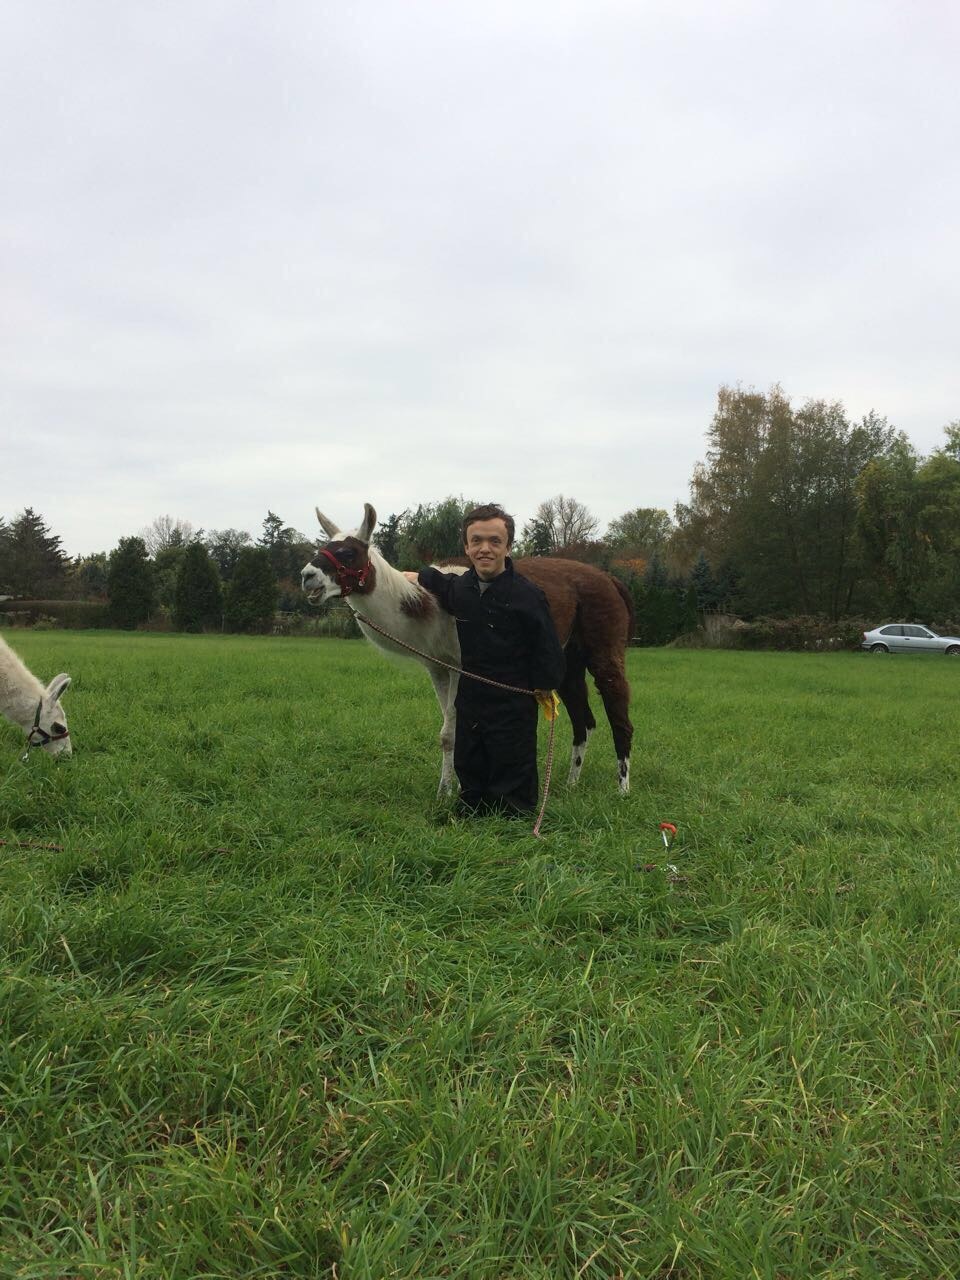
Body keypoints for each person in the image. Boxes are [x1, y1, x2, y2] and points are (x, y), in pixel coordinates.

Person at [405, 503, 566, 816]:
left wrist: (546, 684)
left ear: (508, 546)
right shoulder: (462, 588)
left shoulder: (527, 595)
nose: (485, 549)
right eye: (476, 541)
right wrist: (415, 577)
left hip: (514, 698)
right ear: (466, 547)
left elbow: (547, 643)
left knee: (511, 756)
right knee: (470, 754)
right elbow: (441, 583)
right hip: (472, 694)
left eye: (494, 541)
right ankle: (473, 803)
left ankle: (512, 813)